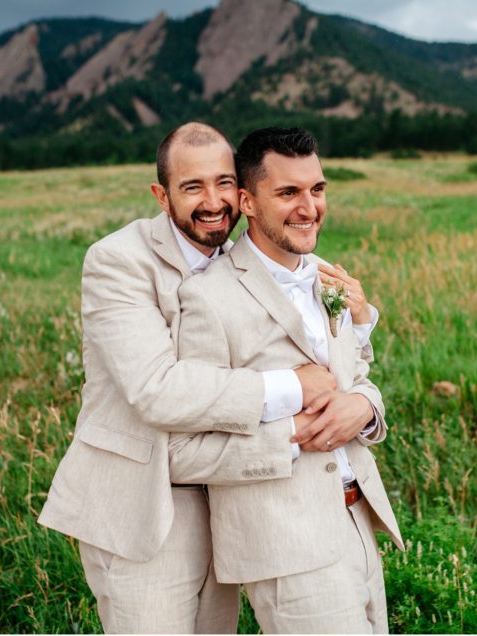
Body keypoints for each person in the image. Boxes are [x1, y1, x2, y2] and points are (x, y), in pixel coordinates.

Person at [37, 122, 379, 634]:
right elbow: (157, 387)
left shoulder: (254, 259)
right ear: (161, 195)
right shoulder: (118, 260)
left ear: (242, 194)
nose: (213, 201)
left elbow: (319, 350)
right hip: (144, 498)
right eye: (192, 187)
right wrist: (292, 388)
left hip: (232, 494)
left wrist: (359, 325)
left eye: (223, 182)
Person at [169, 127, 405, 634]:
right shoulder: (207, 299)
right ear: (248, 202)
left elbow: (356, 375)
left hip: (358, 519)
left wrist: (363, 406)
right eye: (288, 193)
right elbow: (182, 451)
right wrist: (294, 434)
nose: (309, 207)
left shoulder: (326, 275)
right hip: (285, 546)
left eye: (317, 189)